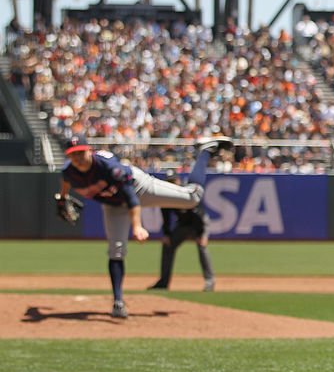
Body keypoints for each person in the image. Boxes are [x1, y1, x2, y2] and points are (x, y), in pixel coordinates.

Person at [57, 135, 233, 318]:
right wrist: (62, 198)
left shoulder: (108, 168)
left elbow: (131, 198)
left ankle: (205, 151)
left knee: (193, 198)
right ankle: (118, 302)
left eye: (80, 153)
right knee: (116, 250)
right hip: (113, 205)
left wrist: (137, 226)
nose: (77, 158)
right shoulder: (69, 171)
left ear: (89, 151)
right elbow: (65, 180)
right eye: (72, 154)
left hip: (138, 188)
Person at [147, 169, 216, 293]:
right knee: (167, 245)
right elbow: (165, 216)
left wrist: (201, 234)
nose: (171, 184)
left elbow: (198, 215)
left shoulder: (187, 192)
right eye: (169, 182)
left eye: (173, 181)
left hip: (199, 223)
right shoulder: (166, 196)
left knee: (202, 247)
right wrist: (167, 234)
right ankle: (163, 282)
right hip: (183, 225)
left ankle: (209, 281)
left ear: (178, 180)